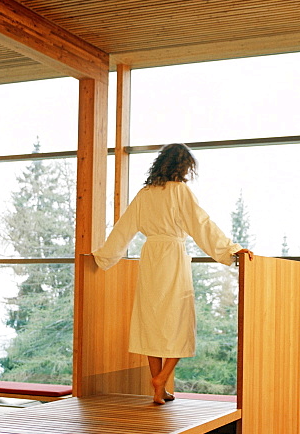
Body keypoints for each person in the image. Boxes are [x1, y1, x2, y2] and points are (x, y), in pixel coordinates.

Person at [93, 143, 253, 404]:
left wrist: (103, 257)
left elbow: (123, 228)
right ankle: (162, 378)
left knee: (151, 321)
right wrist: (231, 251)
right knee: (179, 319)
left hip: (151, 258)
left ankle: (159, 389)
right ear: (183, 166)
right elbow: (202, 224)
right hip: (172, 258)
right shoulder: (180, 191)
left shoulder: (145, 193)